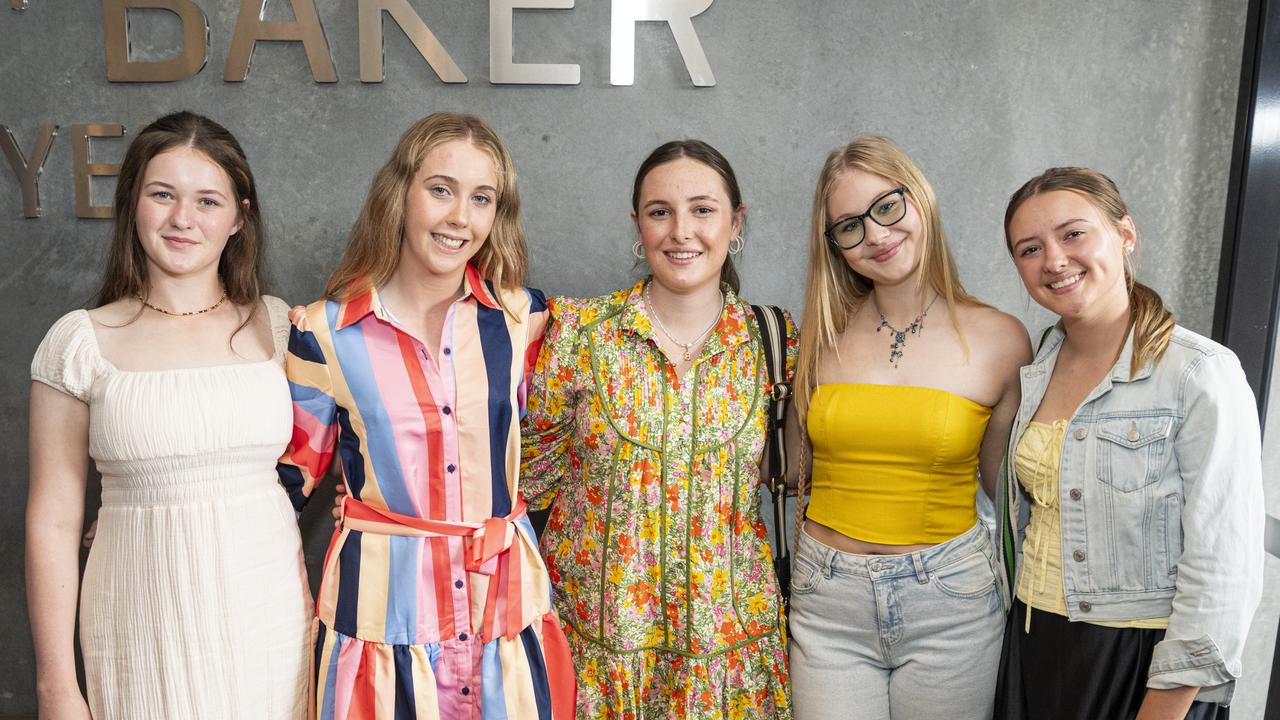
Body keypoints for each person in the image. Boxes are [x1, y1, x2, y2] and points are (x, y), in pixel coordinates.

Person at [277, 112, 575, 719]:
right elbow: (286, 482)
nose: (459, 217)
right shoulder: (324, 334)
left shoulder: (526, 321)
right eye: (441, 189)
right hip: (385, 629)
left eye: (481, 198)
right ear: (400, 194)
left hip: (505, 622)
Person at [26, 111, 311, 718]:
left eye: (208, 200)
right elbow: (52, 521)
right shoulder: (78, 342)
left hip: (271, 626)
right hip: (138, 628)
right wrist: (56, 688)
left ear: (239, 217)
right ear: (133, 205)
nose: (184, 219)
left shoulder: (282, 325)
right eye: (163, 195)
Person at [521, 140, 795, 719]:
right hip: (601, 654)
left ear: (736, 221)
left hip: (730, 655)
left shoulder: (776, 343)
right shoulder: (579, 333)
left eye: (702, 209)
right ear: (637, 225)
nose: (681, 231)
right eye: (660, 211)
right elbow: (527, 483)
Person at [992, 167, 1264, 720]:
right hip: (1034, 641)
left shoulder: (1199, 372)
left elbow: (1224, 561)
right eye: (1030, 248)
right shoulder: (1036, 369)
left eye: (1073, 233)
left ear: (1125, 234)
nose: (1054, 260)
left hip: (1140, 658)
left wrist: (1169, 699)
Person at [786, 135, 1029, 720]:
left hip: (951, 602)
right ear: (836, 246)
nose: (874, 234)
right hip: (826, 600)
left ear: (919, 199)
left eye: (887, 207)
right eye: (848, 226)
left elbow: (1010, 495)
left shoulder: (1000, 338)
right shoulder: (817, 338)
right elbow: (793, 474)